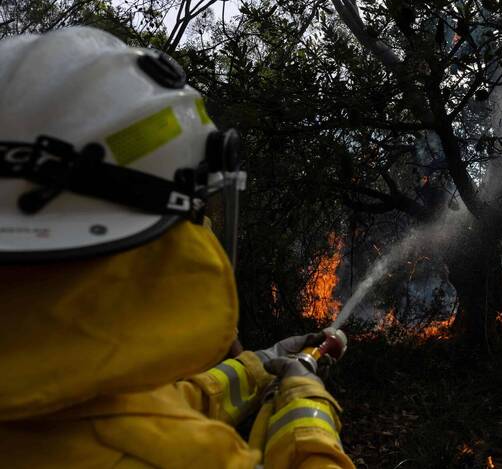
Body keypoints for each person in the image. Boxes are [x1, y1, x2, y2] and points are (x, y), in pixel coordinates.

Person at [0, 27, 356, 469]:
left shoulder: (51, 388)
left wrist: (262, 364)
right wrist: (307, 400)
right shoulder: (178, 457)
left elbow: (138, 411)